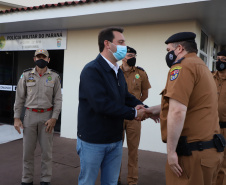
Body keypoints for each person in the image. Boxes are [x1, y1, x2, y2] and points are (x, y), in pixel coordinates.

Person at [144, 32, 224, 185]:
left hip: (191, 155)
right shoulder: (203, 67)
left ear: (179, 48)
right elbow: (187, 104)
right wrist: (150, 110)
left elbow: (177, 111)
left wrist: (171, 151)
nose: (168, 54)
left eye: (169, 50)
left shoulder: (182, 67)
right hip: (209, 152)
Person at [77, 27, 150, 185]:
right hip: (93, 141)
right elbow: (101, 104)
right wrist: (134, 113)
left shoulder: (117, 71)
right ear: (107, 44)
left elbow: (125, 96)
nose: (124, 46)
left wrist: (143, 107)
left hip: (115, 141)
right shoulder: (91, 70)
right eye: (121, 42)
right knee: (87, 182)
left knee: (110, 182)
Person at [14, 49, 62, 185]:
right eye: (38, 57)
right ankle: (26, 179)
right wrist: (17, 117)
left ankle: (45, 179)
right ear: (34, 59)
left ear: (48, 59)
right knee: (27, 152)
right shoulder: (26, 75)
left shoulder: (54, 77)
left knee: (47, 152)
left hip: (47, 117)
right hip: (30, 116)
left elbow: (58, 99)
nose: (41, 59)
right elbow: (19, 98)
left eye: (44, 57)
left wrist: (54, 118)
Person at [118, 46, 151, 185]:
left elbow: (145, 94)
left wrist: (135, 106)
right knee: (115, 151)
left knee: (133, 152)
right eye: (130, 55)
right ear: (123, 57)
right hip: (118, 116)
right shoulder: (114, 72)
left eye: (134, 55)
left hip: (135, 117)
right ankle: (115, 179)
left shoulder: (141, 73)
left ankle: (132, 181)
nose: (133, 58)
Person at [214, 50, 226, 185]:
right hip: (210, 127)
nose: (219, 62)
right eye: (217, 59)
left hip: (225, 128)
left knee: (223, 163)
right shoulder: (210, 77)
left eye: (223, 59)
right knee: (210, 160)